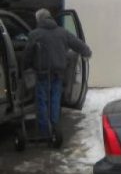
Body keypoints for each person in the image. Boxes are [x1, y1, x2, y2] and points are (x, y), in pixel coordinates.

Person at [24, 8, 92, 138]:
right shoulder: (63, 32)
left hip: (42, 74)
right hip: (58, 74)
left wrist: (25, 68)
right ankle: (54, 128)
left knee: (41, 101)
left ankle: (44, 131)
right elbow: (79, 44)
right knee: (55, 100)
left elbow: (28, 54)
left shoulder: (34, 34)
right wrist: (87, 53)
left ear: (39, 20)